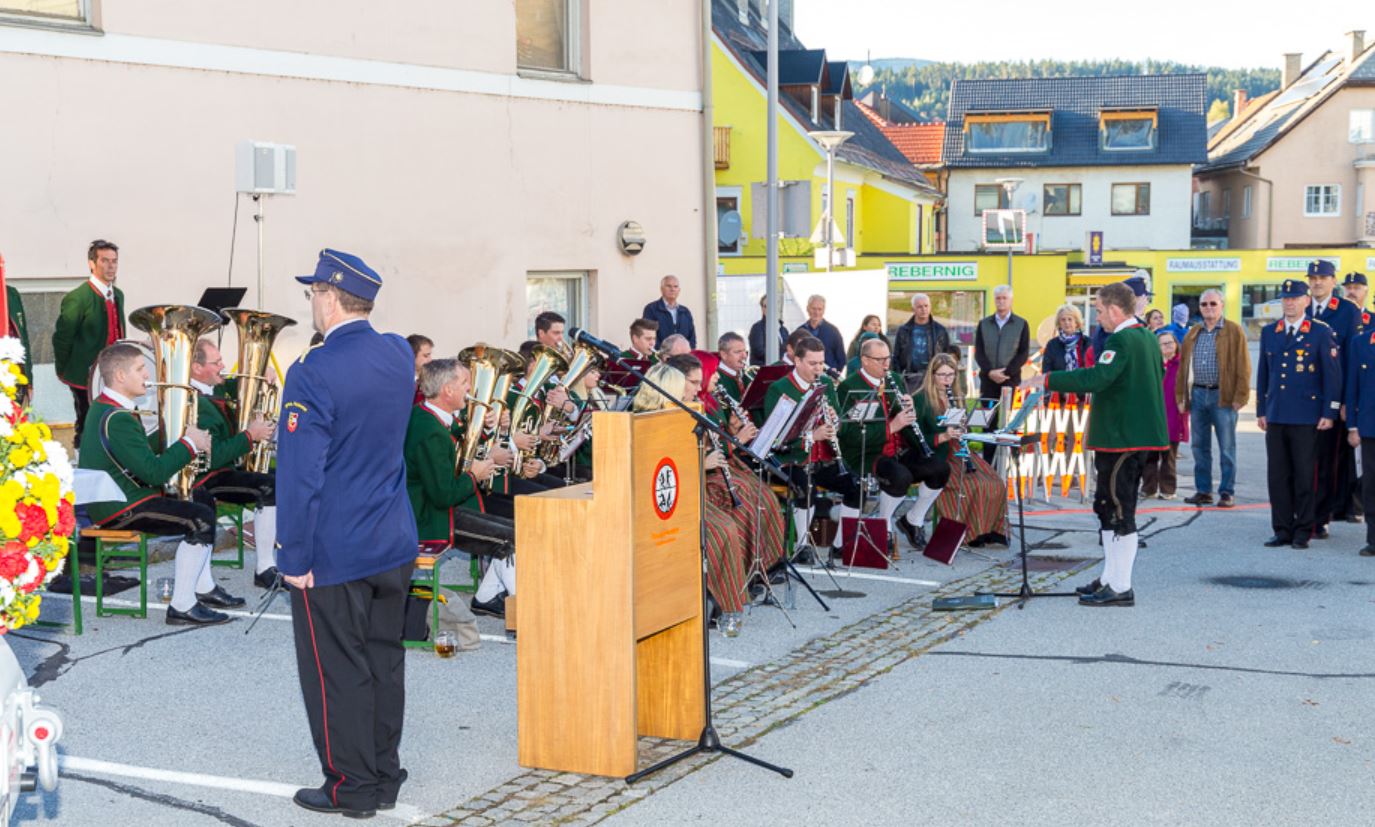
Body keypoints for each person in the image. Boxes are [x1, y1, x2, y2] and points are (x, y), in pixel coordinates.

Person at [276, 248, 419, 818]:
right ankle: (384, 774)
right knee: (384, 662)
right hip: (392, 539)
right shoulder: (396, 354)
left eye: (313, 292)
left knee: (338, 672)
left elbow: (299, 473)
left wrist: (293, 553)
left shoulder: (313, 371)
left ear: (328, 297)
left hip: (335, 549)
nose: (311, 301)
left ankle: (351, 787)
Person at [1023, 281, 1167, 607]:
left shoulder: (1124, 339)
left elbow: (1095, 378)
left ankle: (1121, 586)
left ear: (1115, 310)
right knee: (1105, 507)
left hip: (1122, 437)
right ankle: (1109, 578)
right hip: (1127, 434)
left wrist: (1045, 379)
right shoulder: (1145, 336)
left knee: (1119, 511)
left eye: (1100, 311)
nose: (1098, 318)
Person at [77, 343, 225, 623]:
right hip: (119, 507)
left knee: (201, 498)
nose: (148, 374)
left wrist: (179, 435)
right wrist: (190, 442)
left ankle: (202, 589)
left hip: (120, 498)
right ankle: (182, 605)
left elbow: (135, 452)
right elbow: (153, 473)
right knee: (200, 518)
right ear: (120, 376)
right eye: (140, 369)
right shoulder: (118, 417)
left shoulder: (107, 407)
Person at [404, 358, 516, 618]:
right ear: (448, 391)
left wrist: (489, 429)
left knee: (513, 532)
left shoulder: (429, 416)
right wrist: (474, 475)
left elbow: (463, 438)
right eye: (465, 382)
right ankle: (522, 610)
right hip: (430, 518)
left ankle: (486, 597)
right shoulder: (429, 429)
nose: (470, 390)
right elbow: (443, 496)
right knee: (511, 539)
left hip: (440, 509)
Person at [835, 338, 951, 550]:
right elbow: (849, 434)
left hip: (898, 450)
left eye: (888, 358)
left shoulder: (895, 379)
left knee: (940, 468)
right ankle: (884, 523)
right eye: (880, 360)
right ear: (865, 360)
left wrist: (910, 413)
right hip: (868, 453)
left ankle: (913, 520)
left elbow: (903, 420)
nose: (886, 364)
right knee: (900, 477)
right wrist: (892, 426)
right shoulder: (849, 387)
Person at [188, 339, 279, 588]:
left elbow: (235, 384)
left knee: (281, 477)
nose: (223, 366)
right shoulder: (192, 400)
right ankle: (264, 567)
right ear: (196, 367)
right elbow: (212, 457)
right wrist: (250, 436)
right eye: (216, 362)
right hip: (205, 476)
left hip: (225, 469)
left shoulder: (212, 388)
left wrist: (262, 377)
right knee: (270, 487)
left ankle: (268, 562)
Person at [1256, 279, 1339, 550]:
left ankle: (1303, 529)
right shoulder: (1271, 331)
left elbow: (1332, 376)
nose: (1290, 302)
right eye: (1286, 298)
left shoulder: (1320, 332)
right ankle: (1281, 529)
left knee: (1304, 475)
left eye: (1295, 298)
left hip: (1306, 415)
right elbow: (1264, 374)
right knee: (1278, 476)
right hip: (1277, 414)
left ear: (1306, 301)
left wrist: (1330, 411)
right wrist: (1261, 409)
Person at [763, 336, 862, 560]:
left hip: (823, 457)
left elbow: (839, 425)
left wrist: (835, 424)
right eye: (812, 363)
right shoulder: (780, 388)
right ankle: (802, 545)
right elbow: (776, 439)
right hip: (792, 459)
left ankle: (840, 545)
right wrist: (811, 435)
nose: (818, 369)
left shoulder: (825, 384)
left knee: (856, 486)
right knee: (806, 487)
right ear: (797, 361)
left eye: (821, 363)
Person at [921, 353, 1008, 546]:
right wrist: (944, 434)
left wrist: (964, 427)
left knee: (995, 483)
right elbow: (915, 437)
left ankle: (989, 529)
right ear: (932, 375)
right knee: (971, 486)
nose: (947, 380)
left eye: (951, 375)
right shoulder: (922, 399)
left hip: (959, 450)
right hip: (939, 453)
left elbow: (966, 429)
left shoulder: (957, 398)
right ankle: (971, 534)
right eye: (942, 375)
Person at [1176, 288, 1249, 508]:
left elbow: (1244, 366)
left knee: (1227, 448)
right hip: (1198, 394)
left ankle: (1226, 492)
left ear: (1222, 305)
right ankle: (1203, 491)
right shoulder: (1193, 333)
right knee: (1199, 447)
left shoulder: (1234, 331)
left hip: (1223, 396)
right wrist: (1181, 396)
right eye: (1204, 304)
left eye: (1213, 304)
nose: (1208, 308)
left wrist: (1241, 396)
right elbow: (1183, 367)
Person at [53, 239, 125, 449]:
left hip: (112, 374)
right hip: (84, 374)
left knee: (111, 420)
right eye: (105, 261)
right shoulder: (78, 298)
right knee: (86, 422)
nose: (111, 266)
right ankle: (82, 462)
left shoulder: (118, 295)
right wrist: (64, 370)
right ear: (92, 264)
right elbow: (62, 338)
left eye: (114, 261)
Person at [1306, 259, 1361, 533]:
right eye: (1313, 278)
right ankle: (1305, 513)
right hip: (1304, 399)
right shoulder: (1301, 307)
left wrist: (1347, 404)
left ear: (1332, 281)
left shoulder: (1347, 311)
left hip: (1332, 400)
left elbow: (1352, 360)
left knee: (1328, 462)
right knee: (1304, 460)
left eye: (1323, 278)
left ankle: (1321, 517)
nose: (1317, 282)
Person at [973, 285, 1029, 461]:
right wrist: (990, 372)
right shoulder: (984, 324)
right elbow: (979, 352)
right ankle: (988, 463)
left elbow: (1023, 353)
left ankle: (1010, 462)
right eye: (998, 298)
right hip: (988, 382)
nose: (1001, 301)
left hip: (1010, 381)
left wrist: (1006, 372)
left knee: (1010, 422)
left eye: (1004, 298)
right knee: (987, 422)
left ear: (1011, 300)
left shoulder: (1021, 324)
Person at [1141, 330, 1188, 500]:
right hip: (1153, 414)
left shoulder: (1182, 365)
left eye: (1170, 342)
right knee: (1149, 455)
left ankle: (1168, 489)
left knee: (1169, 455)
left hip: (1173, 414)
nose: (1168, 346)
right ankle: (1149, 488)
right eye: (1163, 343)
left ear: (1176, 344)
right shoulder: (1151, 364)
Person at [1344, 321, 1375, 555]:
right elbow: (1352, 386)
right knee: (1371, 484)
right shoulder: (1361, 342)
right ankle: (1373, 539)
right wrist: (1352, 426)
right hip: (1369, 426)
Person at [892, 293, 952, 392]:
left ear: (930, 307)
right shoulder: (903, 330)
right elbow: (896, 356)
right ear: (913, 309)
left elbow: (946, 355)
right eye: (919, 306)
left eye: (926, 306)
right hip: (909, 378)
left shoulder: (940, 330)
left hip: (933, 377)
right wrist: (899, 377)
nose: (924, 309)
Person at [793, 294, 846, 374]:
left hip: (827, 377)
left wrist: (834, 374)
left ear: (824, 310)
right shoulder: (799, 331)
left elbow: (841, 358)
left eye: (819, 309)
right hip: (805, 376)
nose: (816, 312)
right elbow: (794, 356)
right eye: (813, 308)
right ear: (807, 309)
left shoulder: (833, 331)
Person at [642, 275, 696, 348]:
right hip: (661, 356)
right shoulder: (651, 309)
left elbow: (692, 338)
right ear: (661, 289)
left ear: (679, 290)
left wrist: (688, 353)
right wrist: (663, 353)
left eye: (675, 286)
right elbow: (648, 335)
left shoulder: (685, 312)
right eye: (669, 286)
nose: (672, 289)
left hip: (683, 357)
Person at [1041, 305, 1093, 374]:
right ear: (1059, 323)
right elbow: (1046, 372)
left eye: (1070, 319)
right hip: (1059, 384)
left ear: (1076, 323)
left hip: (1083, 384)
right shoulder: (1052, 345)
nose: (1066, 322)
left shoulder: (1087, 342)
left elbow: (1093, 369)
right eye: (1063, 320)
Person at [5, 282, 32, 406]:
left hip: (15, 373)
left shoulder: (11, 294)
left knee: (17, 419)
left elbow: (23, 338)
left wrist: (29, 380)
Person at [748, 294, 788, 366]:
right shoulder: (757, 328)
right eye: (765, 306)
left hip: (781, 370)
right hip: (764, 371)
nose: (769, 309)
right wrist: (781, 355)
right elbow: (759, 352)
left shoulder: (784, 330)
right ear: (762, 309)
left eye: (772, 306)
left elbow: (789, 349)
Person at [716, 331, 751, 404]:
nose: (744, 356)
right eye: (738, 352)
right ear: (724, 355)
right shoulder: (716, 378)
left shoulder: (748, 374)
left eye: (745, 351)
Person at [406, 334, 433, 404]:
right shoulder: (402, 381)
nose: (430, 360)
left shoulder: (432, 380)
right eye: (426, 356)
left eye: (430, 355)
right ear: (412, 355)